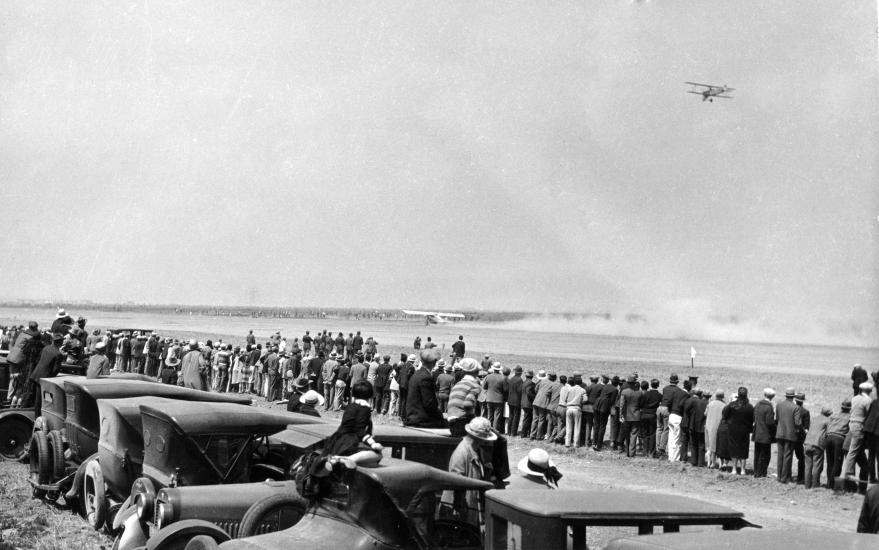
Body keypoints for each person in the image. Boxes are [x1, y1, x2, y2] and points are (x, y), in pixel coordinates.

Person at [447, 416, 497, 523]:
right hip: (462, 511)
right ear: (479, 438)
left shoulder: (476, 450)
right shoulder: (461, 453)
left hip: (471, 507)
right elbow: (456, 483)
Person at [405, 348, 447, 428]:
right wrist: (440, 416)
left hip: (413, 417)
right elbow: (429, 404)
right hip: (421, 419)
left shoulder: (416, 374)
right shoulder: (426, 377)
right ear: (434, 363)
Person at [844, 382, 873, 480]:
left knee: (854, 448)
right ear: (870, 391)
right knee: (853, 450)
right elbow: (870, 416)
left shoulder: (855, 398)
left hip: (851, 423)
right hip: (860, 425)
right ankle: (848, 472)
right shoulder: (868, 401)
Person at [723, 387, 755, 475]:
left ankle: (734, 469)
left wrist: (729, 422)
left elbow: (725, 415)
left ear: (738, 394)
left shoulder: (731, 405)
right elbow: (753, 419)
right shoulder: (750, 407)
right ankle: (742, 470)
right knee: (744, 449)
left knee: (733, 448)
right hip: (745, 431)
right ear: (746, 395)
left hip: (733, 429)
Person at [447, 358, 482, 436]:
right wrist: (474, 418)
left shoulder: (458, 384)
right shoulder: (475, 385)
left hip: (451, 421)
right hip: (462, 421)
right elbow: (468, 404)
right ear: (477, 372)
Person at [30, 333, 63, 416]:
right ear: (61, 343)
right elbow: (55, 370)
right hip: (44, 378)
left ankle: (37, 416)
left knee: (38, 398)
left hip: (36, 374)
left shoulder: (46, 348)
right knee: (44, 399)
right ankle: (39, 417)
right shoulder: (58, 354)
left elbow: (38, 360)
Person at [803, 406, 831, 489]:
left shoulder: (814, 419)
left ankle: (807, 485)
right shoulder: (828, 421)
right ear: (828, 414)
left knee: (808, 466)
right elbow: (828, 433)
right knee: (817, 465)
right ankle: (815, 485)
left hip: (807, 443)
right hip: (817, 445)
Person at [826, 399, 852, 488]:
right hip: (839, 439)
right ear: (849, 408)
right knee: (837, 463)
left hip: (829, 437)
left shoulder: (835, 414)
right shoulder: (850, 417)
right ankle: (832, 485)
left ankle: (828, 482)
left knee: (830, 462)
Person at [776, 387, 799, 483]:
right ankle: (784, 478)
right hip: (790, 435)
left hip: (780, 432)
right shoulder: (795, 407)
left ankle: (779, 476)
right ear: (793, 397)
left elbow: (777, 418)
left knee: (780, 456)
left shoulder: (779, 405)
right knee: (787, 456)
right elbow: (797, 423)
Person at [752, 388, 777, 478]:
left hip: (757, 433)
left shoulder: (758, 404)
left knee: (757, 454)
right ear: (772, 397)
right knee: (765, 455)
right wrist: (774, 431)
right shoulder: (769, 407)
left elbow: (753, 416)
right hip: (765, 435)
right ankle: (762, 473)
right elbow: (770, 423)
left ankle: (756, 472)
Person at [482, 364, 509, 432]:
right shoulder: (502, 378)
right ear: (499, 369)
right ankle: (495, 430)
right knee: (497, 416)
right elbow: (505, 389)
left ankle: (488, 430)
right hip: (499, 399)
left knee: (489, 416)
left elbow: (484, 387)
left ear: (493, 369)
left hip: (489, 398)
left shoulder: (488, 377)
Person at [563, 375, 587, 448]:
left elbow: (565, 399)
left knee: (568, 427)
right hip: (577, 408)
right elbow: (585, 399)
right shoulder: (583, 390)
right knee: (577, 427)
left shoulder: (570, 389)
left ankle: (567, 443)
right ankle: (576, 444)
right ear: (581, 383)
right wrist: (580, 402)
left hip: (569, 408)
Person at [705, 389, 726, 468]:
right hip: (720, 427)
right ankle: (720, 464)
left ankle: (711, 462)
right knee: (719, 445)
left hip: (710, 426)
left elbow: (705, 413)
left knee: (710, 445)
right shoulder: (724, 405)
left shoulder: (710, 404)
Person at [507, 366, 524, 437]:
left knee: (510, 416)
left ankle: (509, 431)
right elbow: (520, 391)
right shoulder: (520, 380)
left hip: (510, 400)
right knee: (516, 417)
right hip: (516, 401)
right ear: (520, 373)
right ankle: (513, 432)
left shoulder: (511, 379)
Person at [520, 370, 536, 438]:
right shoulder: (530, 383)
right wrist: (534, 398)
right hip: (528, 403)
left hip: (523, 402)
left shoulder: (524, 382)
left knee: (526, 418)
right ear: (532, 376)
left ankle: (525, 433)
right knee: (527, 419)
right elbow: (529, 392)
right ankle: (524, 433)